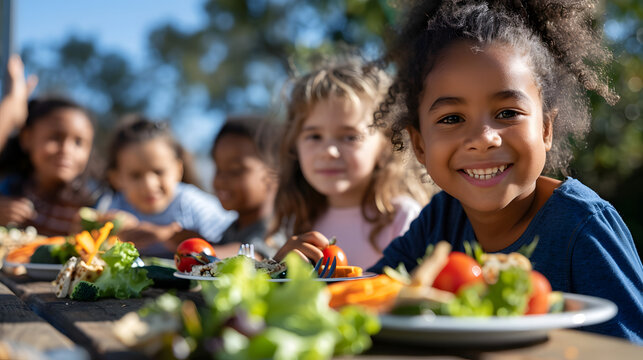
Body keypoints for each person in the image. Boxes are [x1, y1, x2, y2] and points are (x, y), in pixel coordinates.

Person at [371, 0, 640, 343]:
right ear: (420, 145)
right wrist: (306, 270)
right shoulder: (439, 222)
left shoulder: (583, 226)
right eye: (452, 118)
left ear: (546, 129)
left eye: (508, 113)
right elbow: (370, 299)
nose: (483, 139)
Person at [272, 56, 434, 269]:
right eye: (314, 136)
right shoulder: (296, 220)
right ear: (295, 143)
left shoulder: (403, 218)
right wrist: (277, 269)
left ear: (385, 146)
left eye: (349, 137)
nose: (329, 151)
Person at [101, 115, 236, 257]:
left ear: (178, 170)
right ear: (116, 178)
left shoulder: (190, 204)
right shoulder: (114, 208)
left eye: (159, 172)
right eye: (136, 176)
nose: (149, 185)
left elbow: (240, 245)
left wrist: (168, 236)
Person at [0, 57, 99, 236]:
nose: (66, 150)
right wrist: (11, 104)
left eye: (78, 142)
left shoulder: (94, 201)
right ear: (26, 138)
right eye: (55, 138)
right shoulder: (9, 188)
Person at [211, 115, 285, 259]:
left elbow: (256, 257)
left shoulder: (277, 229)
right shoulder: (233, 229)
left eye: (235, 170)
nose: (221, 180)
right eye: (218, 169)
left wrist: (199, 253)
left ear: (275, 172)